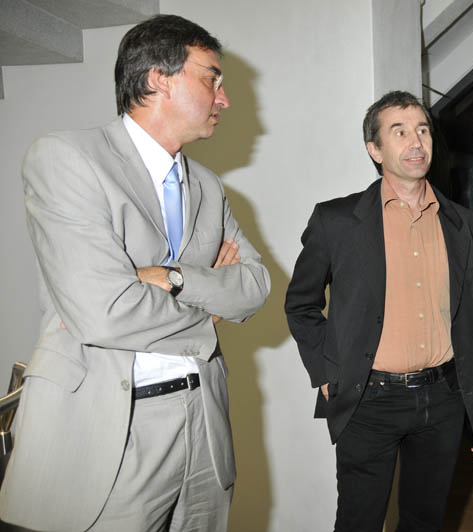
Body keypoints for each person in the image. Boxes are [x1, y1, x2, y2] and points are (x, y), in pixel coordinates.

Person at [0, 14, 270, 532]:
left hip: (204, 426)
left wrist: (173, 278)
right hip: (107, 434)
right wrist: (208, 313)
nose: (224, 98)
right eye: (211, 78)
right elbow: (104, 312)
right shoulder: (66, 158)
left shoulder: (208, 186)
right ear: (158, 79)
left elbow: (255, 287)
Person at [285, 90, 473, 532]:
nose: (416, 142)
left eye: (422, 130)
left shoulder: (464, 225)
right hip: (368, 401)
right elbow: (300, 304)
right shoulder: (336, 221)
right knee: (359, 522)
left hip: (443, 399)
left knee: (425, 522)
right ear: (375, 149)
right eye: (399, 132)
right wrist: (326, 373)